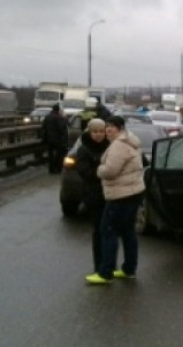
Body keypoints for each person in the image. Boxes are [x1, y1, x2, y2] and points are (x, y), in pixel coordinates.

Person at [87, 116, 146, 285]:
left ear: (120, 128)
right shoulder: (131, 141)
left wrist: (99, 169)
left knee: (107, 230)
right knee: (128, 231)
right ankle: (129, 269)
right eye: (107, 127)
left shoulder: (118, 145)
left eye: (111, 127)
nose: (108, 130)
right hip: (134, 191)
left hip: (121, 194)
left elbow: (111, 171)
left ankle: (105, 272)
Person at [76, 118, 111, 275]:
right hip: (94, 195)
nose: (98, 135)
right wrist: (104, 171)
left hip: (111, 195)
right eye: (95, 132)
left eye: (101, 131)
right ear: (89, 132)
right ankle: (99, 267)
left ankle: (110, 265)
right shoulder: (84, 150)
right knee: (98, 232)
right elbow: (85, 173)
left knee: (110, 232)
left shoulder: (111, 146)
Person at [41, 104, 68, 174]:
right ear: (58, 110)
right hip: (57, 139)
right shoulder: (58, 117)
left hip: (48, 139)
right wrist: (64, 120)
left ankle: (51, 169)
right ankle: (58, 168)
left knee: (50, 154)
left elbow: (43, 127)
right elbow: (61, 128)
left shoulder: (47, 117)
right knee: (59, 154)